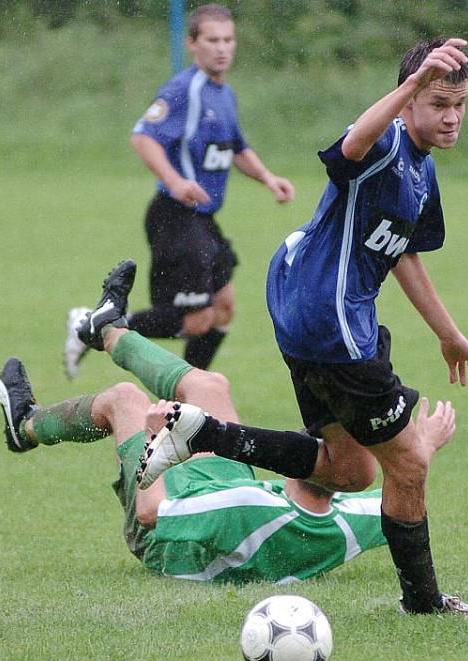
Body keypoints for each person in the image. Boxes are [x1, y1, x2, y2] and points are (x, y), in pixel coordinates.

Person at [220, 37, 468, 618]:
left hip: (311, 313)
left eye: (460, 104)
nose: (451, 117)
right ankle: (423, 603)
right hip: (333, 320)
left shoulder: (422, 173)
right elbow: (351, 145)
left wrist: (448, 333)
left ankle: (201, 434)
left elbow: (403, 256)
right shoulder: (388, 142)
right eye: (438, 101)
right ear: (408, 102)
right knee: (410, 462)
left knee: (350, 470)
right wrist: (409, 83)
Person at [0, 261, 468, 592]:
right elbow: (399, 503)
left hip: (169, 529)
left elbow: (151, 513)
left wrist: (151, 438)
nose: (315, 441)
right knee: (211, 385)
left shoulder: (245, 507)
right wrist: (422, 449)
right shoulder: (345, 521)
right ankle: (107, 328)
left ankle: (27, 425)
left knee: (125, 400)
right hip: (214, 490)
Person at [64, 4, 294, 380]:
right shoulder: (183, 90)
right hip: (174, 216)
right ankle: (93, 327)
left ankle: (187, 400)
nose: (222, 48)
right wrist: (175, 181)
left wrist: (268, 178)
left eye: (228, 40)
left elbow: (236, 148)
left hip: (202, 220)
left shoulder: (224, 94)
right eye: (212, 40)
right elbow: (143, 137)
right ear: (192, 44)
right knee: (198, 318)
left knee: (223, 308)